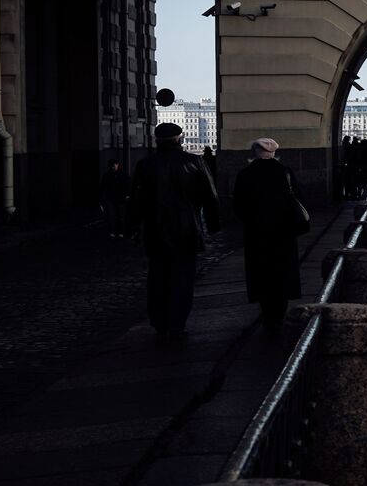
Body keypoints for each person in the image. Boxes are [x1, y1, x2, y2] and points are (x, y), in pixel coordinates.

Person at [126, 122, 221, 338]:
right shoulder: (194, 161)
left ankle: (159, 321)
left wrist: (131, 227)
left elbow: (136, 200)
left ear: (157, 140)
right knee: (183, 278)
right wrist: (214, 225)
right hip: (186, 230)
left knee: (158, 276)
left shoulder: (146, 164)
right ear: (181, 138)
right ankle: (177, 323)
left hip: (155, 230)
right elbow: (211, 196)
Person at [232, 137, 306, 335]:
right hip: (284, 233)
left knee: (261, 273)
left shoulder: (246, 174)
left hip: (257, 234)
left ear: (255, 152)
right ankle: (279, 315)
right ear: (273, 153)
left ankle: (267, 314)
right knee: (282, 273)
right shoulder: (285, 172)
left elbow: (238, 205)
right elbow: (299, 199)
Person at [99, 159, 129, 237]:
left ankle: (120, 232)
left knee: (120, 216)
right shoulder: (107, 175)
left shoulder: (122, 174)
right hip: (112, 198)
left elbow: (128, 185)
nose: (113, 167)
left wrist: (127, 195)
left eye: (114, 165)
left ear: (117, 164)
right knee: (113, 216)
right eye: (112, 166)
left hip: (120, 198)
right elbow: (103, 187)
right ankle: (115, 232)